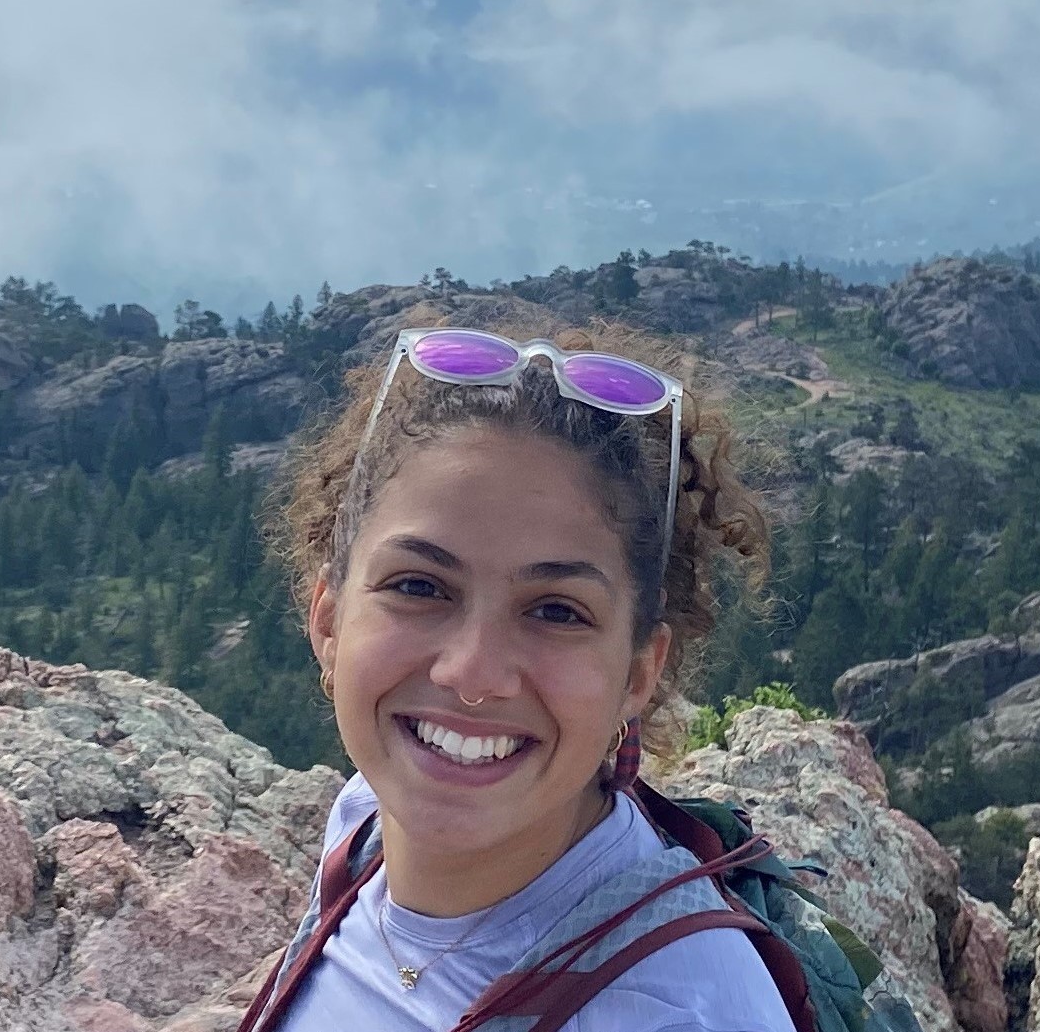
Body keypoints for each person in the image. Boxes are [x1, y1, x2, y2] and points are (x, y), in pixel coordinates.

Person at [238, 324, 794, 1032]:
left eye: (557, 610)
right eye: (418, 586)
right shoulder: (364, 826)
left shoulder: (670, 1014)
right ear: (328, 620)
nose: (472, 673)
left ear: (638, 672)